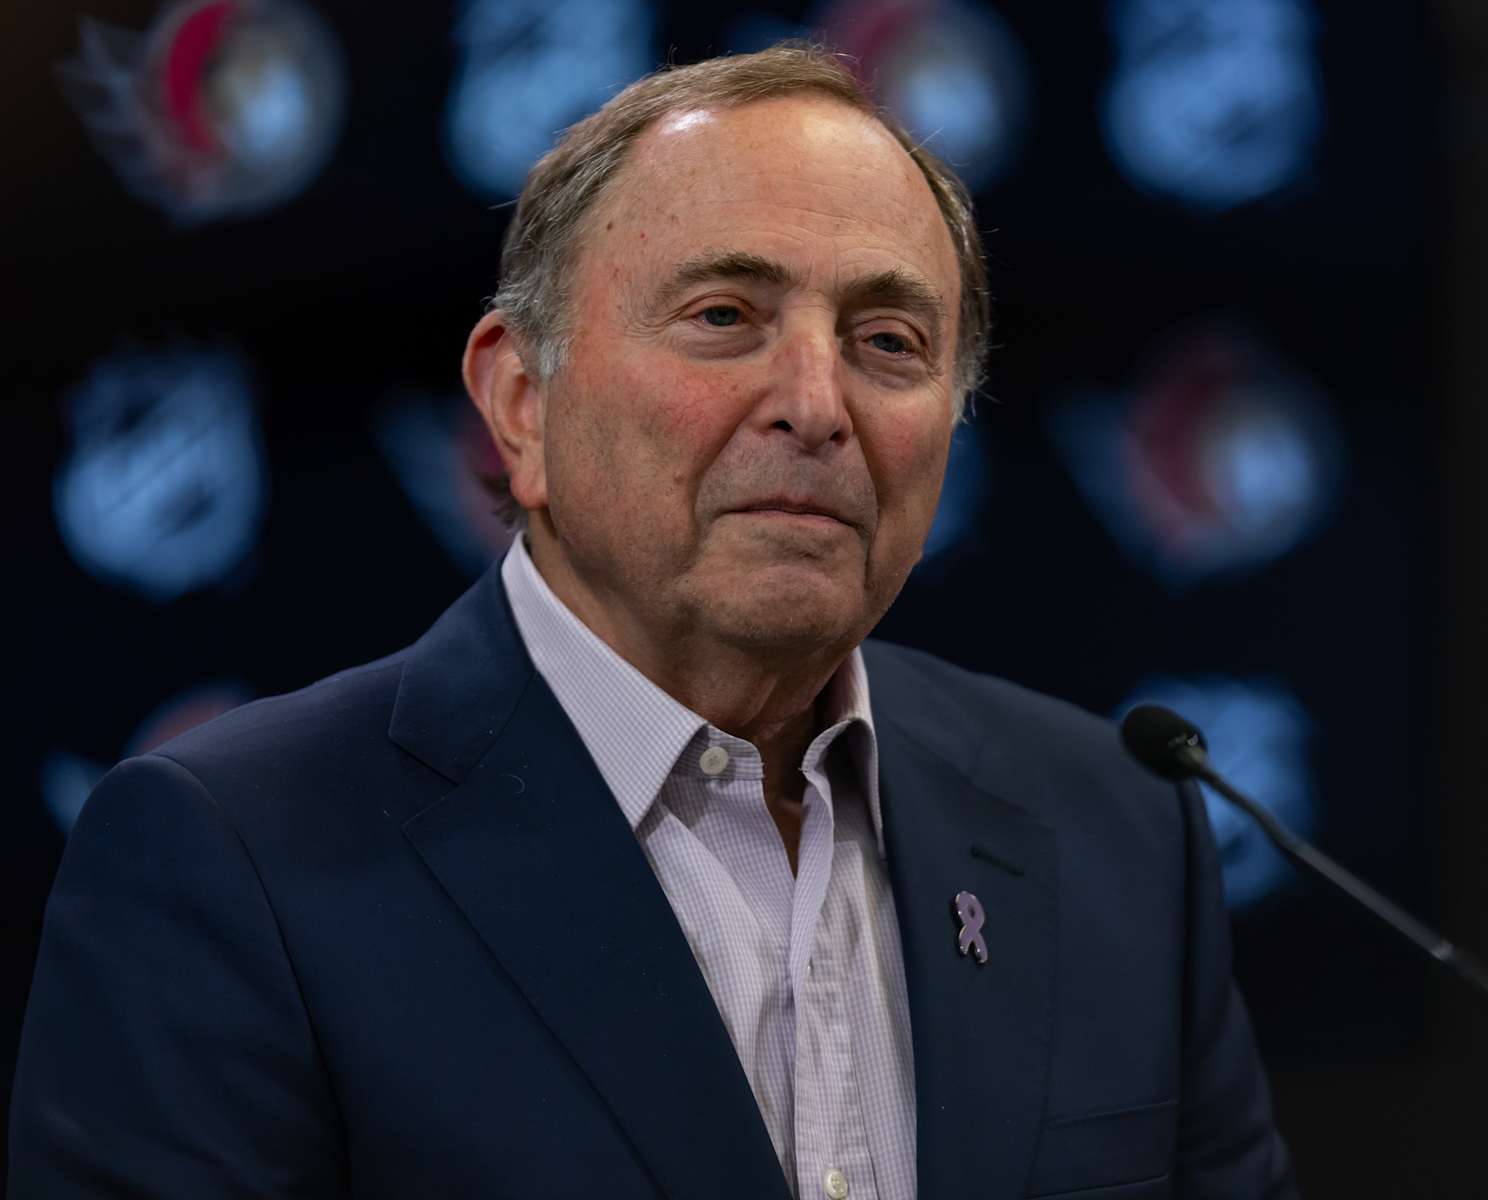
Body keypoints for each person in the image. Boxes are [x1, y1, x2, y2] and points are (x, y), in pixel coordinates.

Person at [9, 44, 1296, 1200]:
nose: (816, 404)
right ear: (519, 403)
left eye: (889, 342)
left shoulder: (1117, 826)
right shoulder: (231, 859)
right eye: (724, 317)